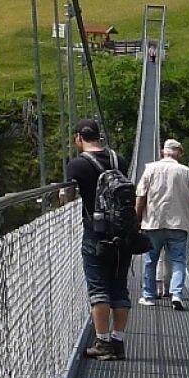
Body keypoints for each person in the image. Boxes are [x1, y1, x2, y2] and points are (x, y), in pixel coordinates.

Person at [62, 118, 138, 360]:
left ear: (78, 137)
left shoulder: (77, 165)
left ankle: (102, 343)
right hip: (123, 234)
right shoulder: (120, 160)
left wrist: (63, 194)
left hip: (95, 234)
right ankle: (118, 341)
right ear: (98, 136)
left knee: (99, 289)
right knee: (119, 287)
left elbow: (68, 198)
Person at [135, 137, 189, 308]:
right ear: (179, 154)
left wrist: (136, 220)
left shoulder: (150, 169)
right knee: (178, 261)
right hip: (178, 225)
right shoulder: (185, 172)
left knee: (151, 261)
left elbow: (141, 197)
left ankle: (149, 296)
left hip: (153, 223)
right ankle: (176, 295)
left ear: (163, 152)